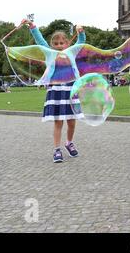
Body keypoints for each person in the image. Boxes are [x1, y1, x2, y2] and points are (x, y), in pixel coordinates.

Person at [21, 19, 86, 163]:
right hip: (56, 89)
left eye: (62, 43)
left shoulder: (72, 52)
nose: (59, 46)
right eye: (55, 44)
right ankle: (57, 150)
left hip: (70, 88)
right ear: (51, 45)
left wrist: (81, 32)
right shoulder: (49, 53)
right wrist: (32, 27)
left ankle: (69, 143)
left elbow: (81, 43)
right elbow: (40, 40)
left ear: (68, 44)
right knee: (58, 122)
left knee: (71, 122)